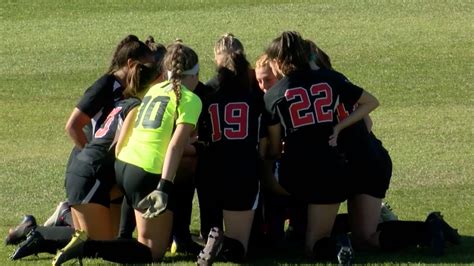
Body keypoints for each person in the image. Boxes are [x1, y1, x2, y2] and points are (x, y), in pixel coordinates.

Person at [52, 40, 202, 265]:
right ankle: (89, 246)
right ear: (196, 74)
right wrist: (163, 187)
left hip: (124, 165)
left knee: (133, 239)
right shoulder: (191, 99)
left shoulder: (154, 90)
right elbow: (175, 145)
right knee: (151, 252)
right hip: (146, 170)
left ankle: (75, 240)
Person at [263, 31, 380, 264]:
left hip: (295, 173)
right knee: (313, 243)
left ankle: (275, 234)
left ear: (277, 61)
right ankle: (335, 240)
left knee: (266, 173)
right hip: (331, 169)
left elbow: (275, 148)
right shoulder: (330, 78)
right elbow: (371, 103)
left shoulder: (273, 95)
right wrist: (338, 127)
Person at [195, 33, 263, 265]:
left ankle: (212, 240)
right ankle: (227, 244)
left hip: (211, 168)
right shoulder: (254, 91)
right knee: (243, 247)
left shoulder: (207, 91)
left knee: (210, 228)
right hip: (243, 168)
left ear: (216, 59)